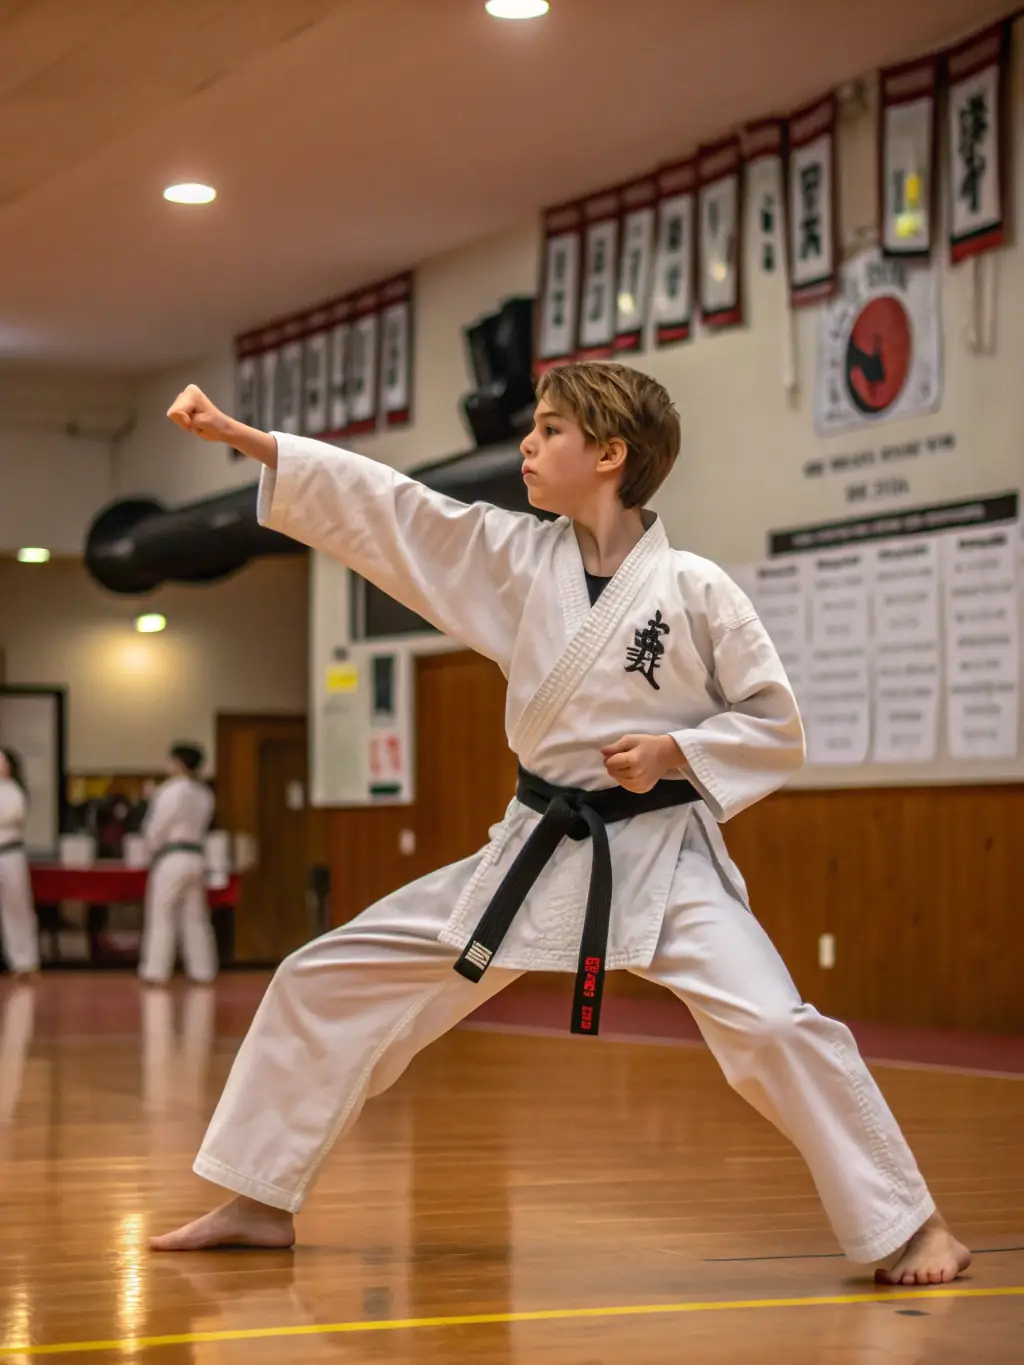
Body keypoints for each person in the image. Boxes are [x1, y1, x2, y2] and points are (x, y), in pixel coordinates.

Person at [150, 366, 969, 1288]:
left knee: (776, 1026)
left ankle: (912, 1226)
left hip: (663, 858)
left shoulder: (696, 589)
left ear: (610, 454)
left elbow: (776, 726)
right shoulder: (514, 557)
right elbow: (399, 511)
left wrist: (674, 751)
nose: (527, 446)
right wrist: (255, 443)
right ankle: (260, 1198)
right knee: (324, 977)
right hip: (534, 849)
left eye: (548, 430)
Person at [138, 743, 216, 987]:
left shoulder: (171, 790)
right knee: (195, 916)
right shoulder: (204, 793)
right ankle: (203, 971)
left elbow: (157, 826)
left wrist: (149, 846)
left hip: (172, 855)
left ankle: (156, 971)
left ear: (178, 763)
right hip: (196, 855)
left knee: (162, 913)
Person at [0, 747, 40, 980]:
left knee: (16, 908)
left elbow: (13, 816)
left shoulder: (15, 791)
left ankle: (25, 963)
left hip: (10, 854)